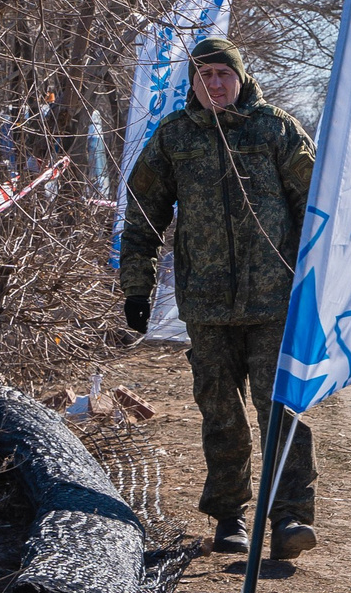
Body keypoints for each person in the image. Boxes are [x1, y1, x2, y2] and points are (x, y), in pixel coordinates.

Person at [119, 36, 320, 559]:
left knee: (281, 410)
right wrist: (136, 288)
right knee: (220, 414)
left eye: (223, 74)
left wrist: (317, 281)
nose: (214, 83)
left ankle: (290, 517)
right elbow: (142, 216)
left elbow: (316, 208)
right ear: (192, 82)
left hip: (275, 302)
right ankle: (229, 516)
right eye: (204, 75)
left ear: (240, 76)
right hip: (206, 306)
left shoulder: (275, 129)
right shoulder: (174, 137)